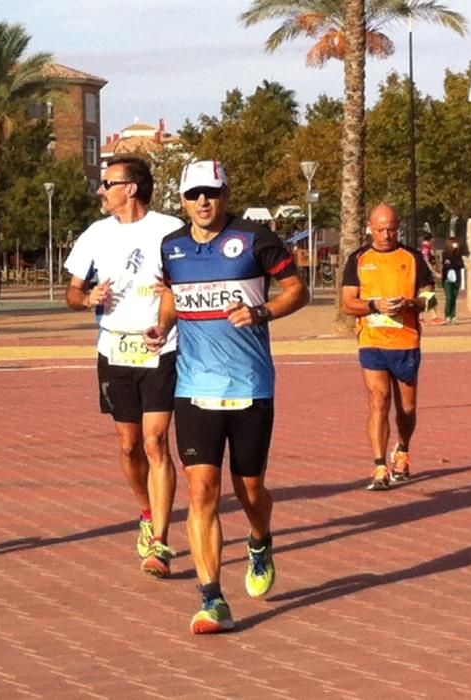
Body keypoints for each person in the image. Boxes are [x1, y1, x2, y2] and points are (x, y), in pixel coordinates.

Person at [145, 160, 307, 634]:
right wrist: (163, 323)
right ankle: (212, 598)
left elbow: (297, 290)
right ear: (182, 200)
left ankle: (259, 539)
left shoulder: (256, 240)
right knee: (202, 492)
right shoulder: (171, 246)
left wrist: (262, 312)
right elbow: (174, 294)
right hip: (194, 388)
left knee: (250, 490)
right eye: (194, 194)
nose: (202, 202)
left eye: (211, 193)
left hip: (250, 385)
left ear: (226, 195)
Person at [63, 156, 183, 577]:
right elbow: (72, 293)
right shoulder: (96, 235)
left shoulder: (168, 230)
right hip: (114, 351)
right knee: (130, 446)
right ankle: (147, 511)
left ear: (130, 188)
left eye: (107, 183)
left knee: (156, 443)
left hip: (160, 349)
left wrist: (164, 322)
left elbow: (175, 288)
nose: (101, 190)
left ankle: (161, 543)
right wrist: (89, 299)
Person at [342, 203, 435, 491]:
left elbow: (430, 298)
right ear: (371, 227)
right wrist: (374, 305)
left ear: (399, 227)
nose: (386, 235)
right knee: (378, 399)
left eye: (392, 229)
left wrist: (411, 303)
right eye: (381, 229)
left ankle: (403, 450)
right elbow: (348, 303)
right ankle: (379, 465)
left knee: (406, 408)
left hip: (406, 340)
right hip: (372, 340)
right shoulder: (358, 259)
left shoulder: (413, 257)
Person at [442, 240, 465, 324]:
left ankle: (453, 316)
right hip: (448, 279)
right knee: (449, 297)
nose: (455, 244)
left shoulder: (458, 254)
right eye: (453, 243)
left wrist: (457, 252)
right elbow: (447, 265)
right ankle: (447, 316)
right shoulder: (445, 254)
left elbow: (461, 265)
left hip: (457, 278)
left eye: (456, 243)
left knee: (454, 298)